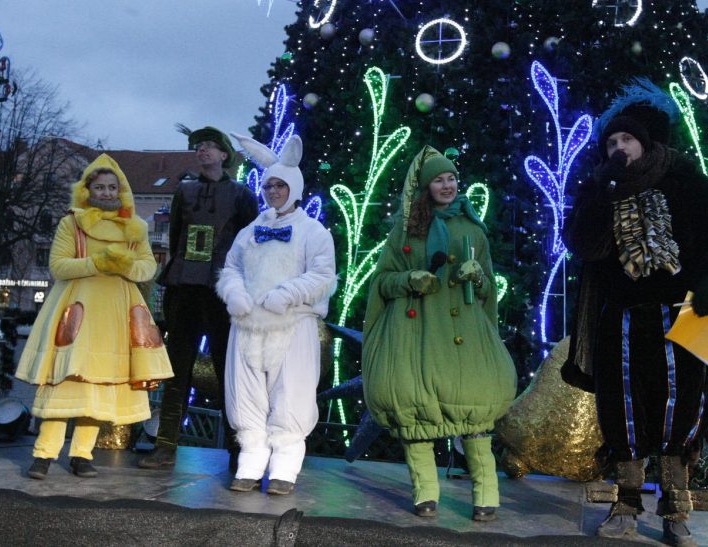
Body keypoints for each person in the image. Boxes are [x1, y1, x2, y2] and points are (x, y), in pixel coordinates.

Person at [562, 79, 708, 546]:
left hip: (680, 314)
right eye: (612, 142)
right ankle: (625, 502)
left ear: (646, 141)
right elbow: (581, 244)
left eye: (627, 139)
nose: (619, 147)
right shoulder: (600, 187)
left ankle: (676, 511)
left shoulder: (685, 180)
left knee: (678, 411)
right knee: (622, 411)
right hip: (620, 317)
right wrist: (602, 193)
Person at [362, 146, 517, 522]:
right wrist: (409, 279)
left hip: (463, 334)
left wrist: (477, 276)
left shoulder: (472, 228)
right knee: (416, 415)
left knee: (475, 415)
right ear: (426, 186)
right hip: (418, 335)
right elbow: (382, 281)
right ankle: (425, 494)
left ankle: (486, 495)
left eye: (451, 178)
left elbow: (487, 291)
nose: (447, 185)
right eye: (438, 179)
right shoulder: (405, 229)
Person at [16, 154, 173, 479]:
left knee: (100, 386)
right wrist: (97, 263)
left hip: (116, 315)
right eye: (99, 186)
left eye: (111, 186)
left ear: (121, 190)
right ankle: (43, 455)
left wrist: (124, 264)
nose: (105, 192)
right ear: (88, 190)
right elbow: (58, 265)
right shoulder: (70, 223)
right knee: (65, 384)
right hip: (77, 312)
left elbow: (148, 268)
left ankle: (82, 456)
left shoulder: (135, 229)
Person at [214, 134, 337, 495]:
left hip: (292, 325)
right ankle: (250, 461)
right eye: (268, 185)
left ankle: (285, 466)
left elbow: (322, 274)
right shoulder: (250, 230)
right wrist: (234, 293)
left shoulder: (312, 231)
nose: (273, 191)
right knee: (246, 394)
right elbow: (232, 267)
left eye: (280, 185)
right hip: (249, 326)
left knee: (291, 394)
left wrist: (286, 294)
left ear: (293, 187)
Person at [139, 127, 259, 470]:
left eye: (210, 147)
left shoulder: (241, 195)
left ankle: (239, 451)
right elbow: (176, 237)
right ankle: (165, 447)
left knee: (228, 371)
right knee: (177, 371)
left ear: (224, 155)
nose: (202, 151)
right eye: (199, 147)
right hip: (185, 289)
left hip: (222, 292)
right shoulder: (185, 191)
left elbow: (250, 244)